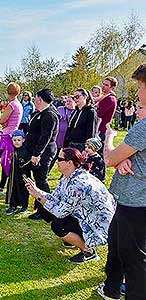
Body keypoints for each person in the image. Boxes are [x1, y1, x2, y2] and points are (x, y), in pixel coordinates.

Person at [98, 64, 146, 300]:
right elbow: (121, 159)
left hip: (136, 202)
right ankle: (111, 289)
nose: (137, 93)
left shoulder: (144, 126)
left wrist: (109, 138)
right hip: (129, 199)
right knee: (116, 246)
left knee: (134, 259)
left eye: (140, 87)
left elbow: (108, 157)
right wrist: (120, 161)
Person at [25, 148, 115, 264]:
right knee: (44, 211)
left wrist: (39, 197)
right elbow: (55, 198)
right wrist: (37, 191)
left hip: (98, 226)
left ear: (69, 163)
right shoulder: (68, 176)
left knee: (58, 225)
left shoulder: (78, 183)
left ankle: (89, 252)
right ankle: (73, 239)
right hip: (83, 215)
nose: (56, 161)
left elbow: (61, 212)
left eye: (59, 159)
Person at [24, 88, 59, 221]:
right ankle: (39, 206)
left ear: (39, 99)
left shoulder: (49, 115)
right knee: (38, 179)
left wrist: (37, 154)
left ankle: (45, 209)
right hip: (36, 150)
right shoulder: (41, 113)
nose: (34, 101)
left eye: (35, 99)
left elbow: (46, 137)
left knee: (41, 180)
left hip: (44, 152)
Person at [0, 82, 22, 196]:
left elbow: (1, 120)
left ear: (8, 92)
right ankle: (5, 187)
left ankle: (1, 187)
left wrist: (3, 121)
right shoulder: (19, 104)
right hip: (15, 134)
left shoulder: (11, 104)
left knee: (6, 162)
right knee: (10, 162)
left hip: (8, 136)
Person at [5, 130, 31, 215]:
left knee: (24, 190)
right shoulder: (11, 150)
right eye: (14, 140)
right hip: (13, 175)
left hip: (24, 175)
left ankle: (24, 206)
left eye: (19, 140)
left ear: (23, 140)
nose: (16, 142)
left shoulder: (26, 151)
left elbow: (28, 162)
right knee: (13, 189)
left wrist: (22, 164)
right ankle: (12, 205)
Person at [52, 96, 75, 168]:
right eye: (67, 101)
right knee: (54, 154)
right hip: (58, 135)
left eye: (70, 101)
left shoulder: (76, 111)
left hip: (68, 136)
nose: (67, 103)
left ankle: (65, 171)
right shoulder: (60, 109)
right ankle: (48, 169)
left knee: (67, 155)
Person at [96, 77, 117, 144]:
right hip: (99, 128)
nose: (103, 86)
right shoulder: (103, 97)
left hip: (101, 130)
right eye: (103, 84)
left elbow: (99, 113)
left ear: (112, 88)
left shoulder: (110, 99)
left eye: (106, 85)